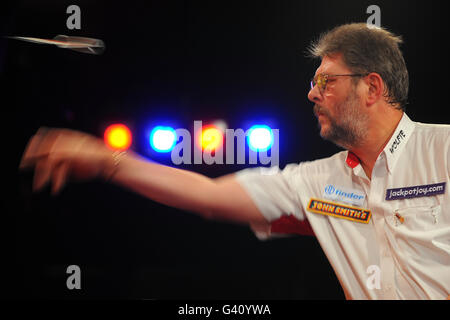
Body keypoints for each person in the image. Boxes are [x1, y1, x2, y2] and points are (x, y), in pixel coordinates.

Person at [19, 23, 449, 300]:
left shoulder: (443, 151)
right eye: (312, 82)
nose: (312, 93)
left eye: (325, 81)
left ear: (371, 88)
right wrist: (105, 161)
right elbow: (210, 196)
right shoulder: (320, 181)